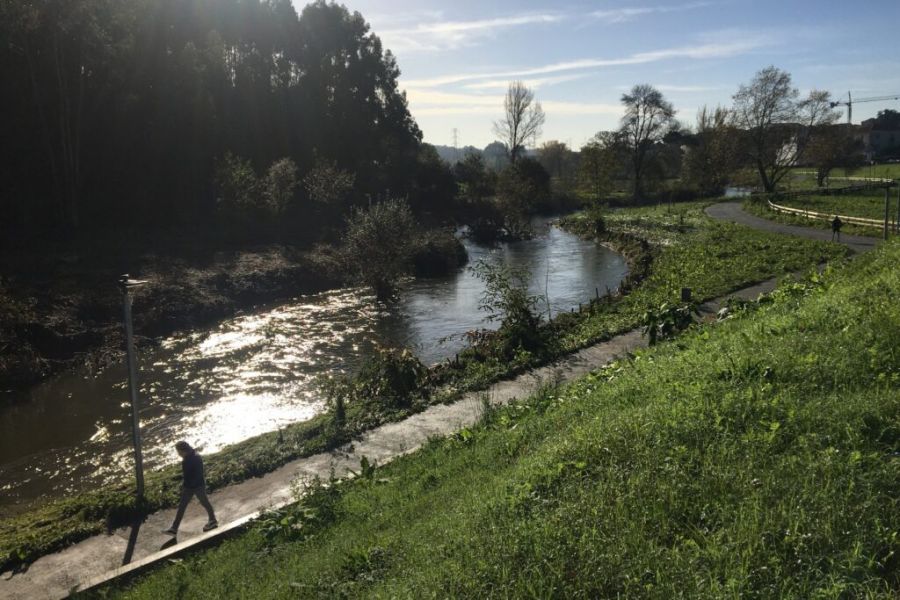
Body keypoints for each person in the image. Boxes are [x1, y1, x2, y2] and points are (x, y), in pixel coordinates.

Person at [162, 441, 217, 535]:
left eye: (178, 451)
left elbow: (198, 474)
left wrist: (189, 486)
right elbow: (187, 475)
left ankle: (213, 520)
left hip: (198, 486)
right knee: (182, 507)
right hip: (189, 487)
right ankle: (174, 528)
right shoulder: (186, 458)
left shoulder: (196, 458)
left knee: (205, 502)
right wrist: (185, 486)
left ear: (183, 450)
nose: (178, 454)